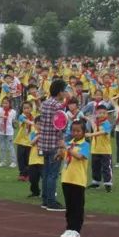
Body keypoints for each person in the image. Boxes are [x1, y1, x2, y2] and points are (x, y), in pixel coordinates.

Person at [35, 79, 67, 211]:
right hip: (54, 142)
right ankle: (51, 202)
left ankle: (45, 199)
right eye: (64, 90)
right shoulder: (58, 106)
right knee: (53, 174)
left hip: (44, 142)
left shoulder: (45, 103)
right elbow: (60, 126)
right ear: (60, 92)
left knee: (47, 172)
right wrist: (61, 145)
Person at [59, 119, 91, 237]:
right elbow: (64, 156)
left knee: (78, 206)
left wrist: (66, 147)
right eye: (73, 131)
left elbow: (79, 157)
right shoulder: (70, 143)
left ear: (84, 132)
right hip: (66, 178)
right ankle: (69, 228)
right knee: (69, 206)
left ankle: (76, 229)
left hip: (78, 180)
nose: (75, 133)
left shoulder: (85, 145)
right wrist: (60, 151)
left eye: (78, 131)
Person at [0, 98, 17, 168]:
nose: (4, 104)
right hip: (0, 131)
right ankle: (3, 161)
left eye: (6, 103)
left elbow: (13, 120)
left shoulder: (13, 112)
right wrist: (3, 116)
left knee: (10, 146)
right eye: (3, 103)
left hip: (9, 131)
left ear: (10, 104)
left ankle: (13, 162)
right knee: (2, 146)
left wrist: (15, 123)